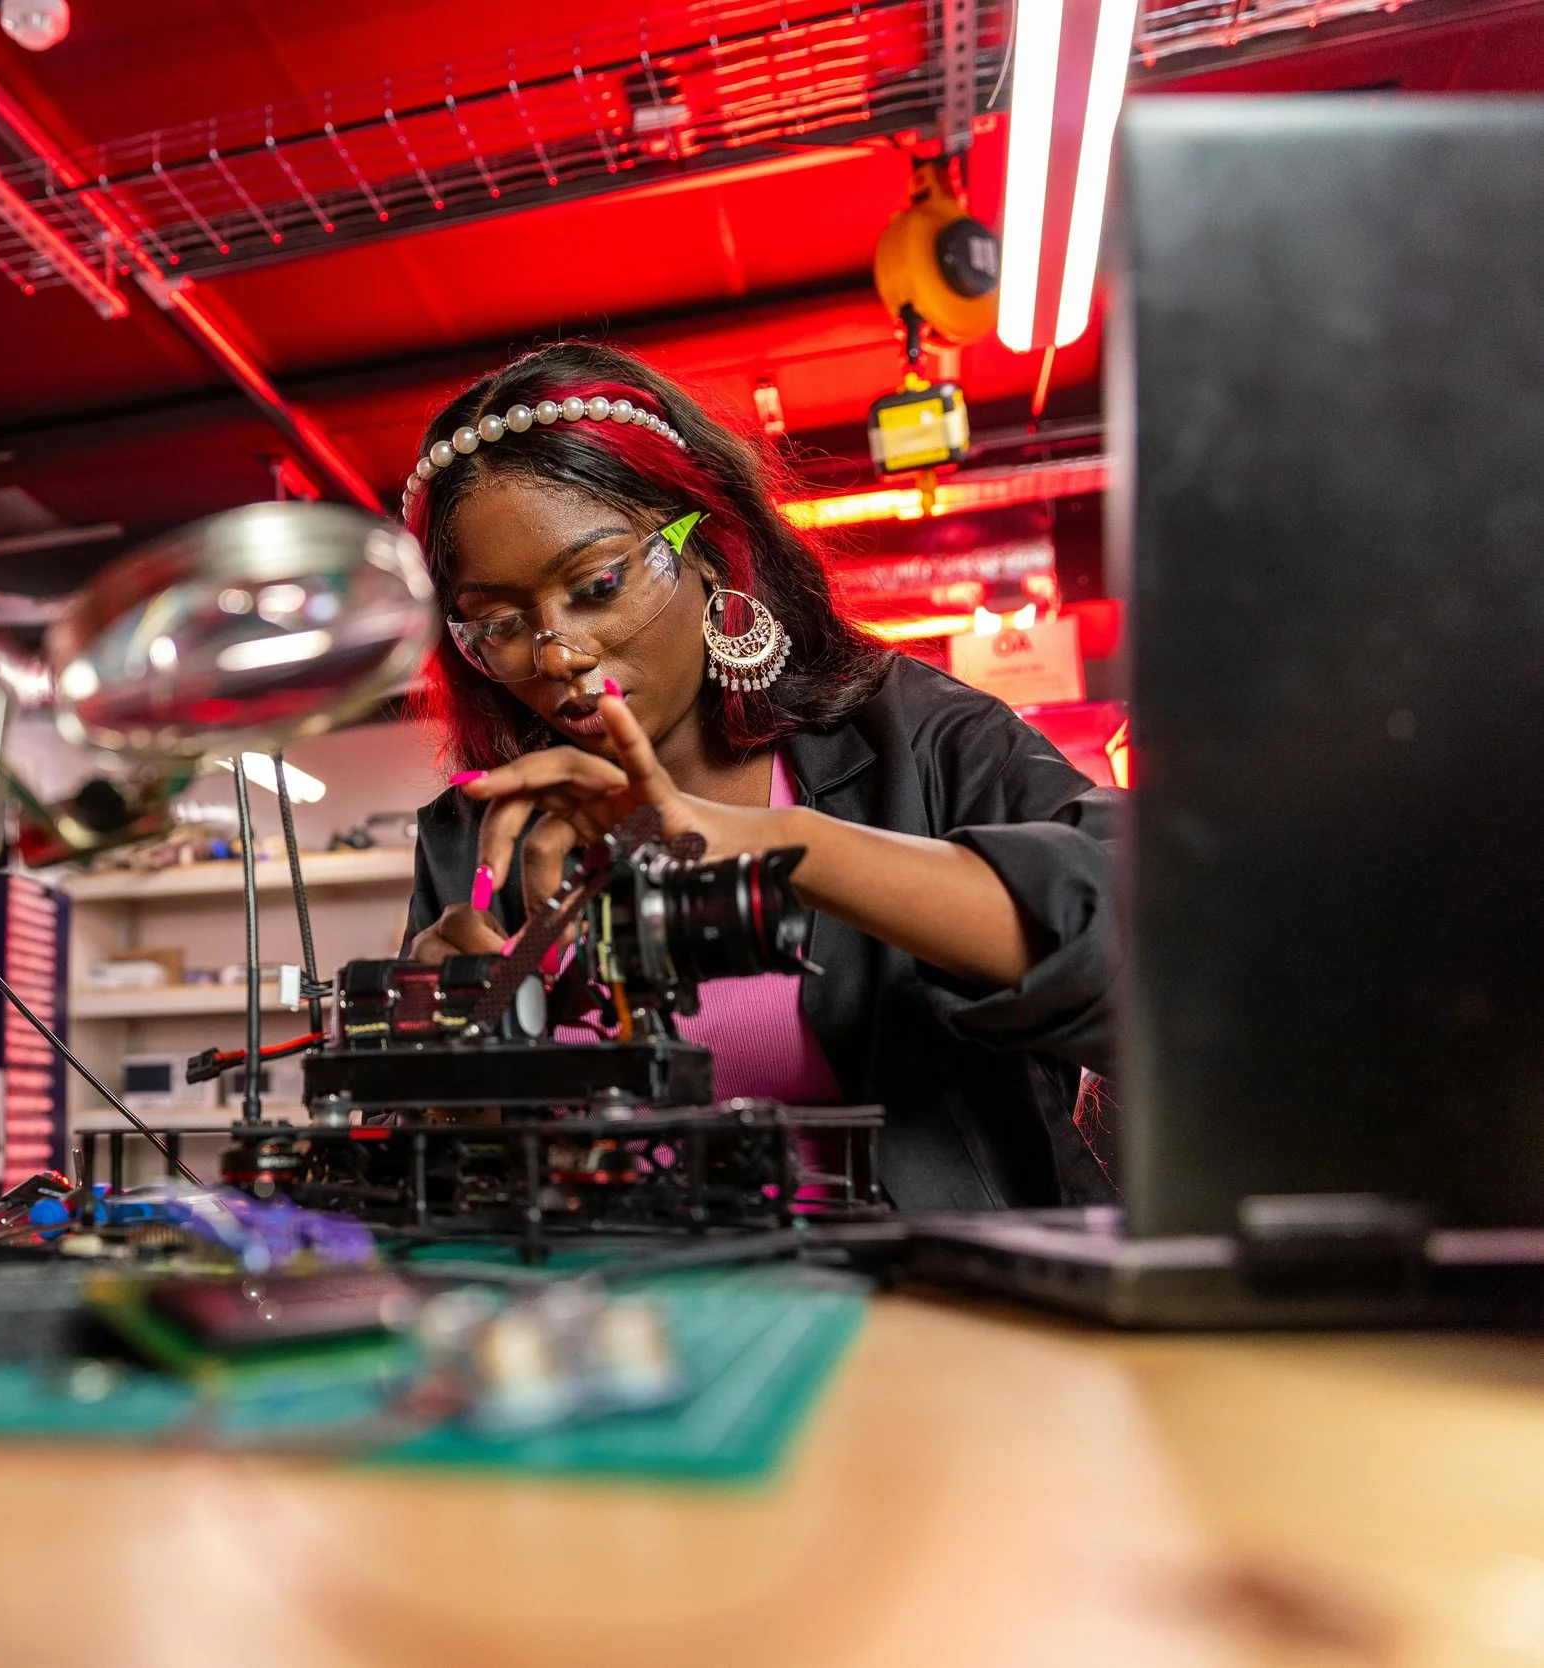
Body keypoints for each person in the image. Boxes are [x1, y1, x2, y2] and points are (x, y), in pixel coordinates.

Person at [399, 342, 1119, 1210]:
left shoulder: (916, 739)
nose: (558, 652)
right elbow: (457, 1168)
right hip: (632, 1320)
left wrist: (780, 844)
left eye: (598, 583)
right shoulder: (473, 833)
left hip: (942, 1316)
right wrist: (435, 1058)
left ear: (707, 546)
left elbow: (1160, 945)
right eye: (500, 624)